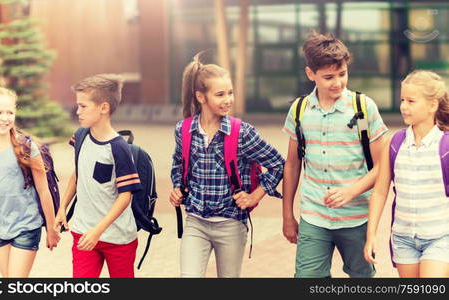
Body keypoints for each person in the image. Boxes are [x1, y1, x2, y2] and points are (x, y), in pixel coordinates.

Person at [282, 31, 388, 278]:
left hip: (357, 218)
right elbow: (292, 165)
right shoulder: (299, 110)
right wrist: (288, 215)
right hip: (313, 216)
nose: (337, 83)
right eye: (328, 77)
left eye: (342, 74)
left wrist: (350, 191)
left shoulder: (364, 108)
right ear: (311, 74)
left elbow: (383, 166)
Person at [169, 53, 285, 277]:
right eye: (220, 94)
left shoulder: (242, 133)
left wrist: (254, 196)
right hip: (195, 222)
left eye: (230, 93)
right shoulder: (183, 130)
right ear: (201, 97)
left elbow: (278, 164)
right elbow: (178, 163)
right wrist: (177, 187)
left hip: (231, 224)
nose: (228, 99)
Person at [54, 74, 142, 278]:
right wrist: (62, 208)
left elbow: (125, 197)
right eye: (78, 105)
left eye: (83, 106)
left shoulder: (119, 147)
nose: (77, 111)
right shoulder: (81, 135)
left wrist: (98, 231)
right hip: (83, 233)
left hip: (118, 238)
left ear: (104, 108)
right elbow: (78, 174)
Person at [364, 70, 449, 277]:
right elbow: (380, 191)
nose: (403, 106)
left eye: (411, 101)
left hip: (441, 236)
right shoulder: (394, 143)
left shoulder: (445, 144)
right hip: (403, 239)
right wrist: (371, 234)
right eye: (402, 100)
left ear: (432, 105)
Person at [0, 87, 60, 277]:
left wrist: (51, 229)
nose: (5, 117)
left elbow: (44, 191)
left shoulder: (27, 147)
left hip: (27, 225)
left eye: (10, 112)